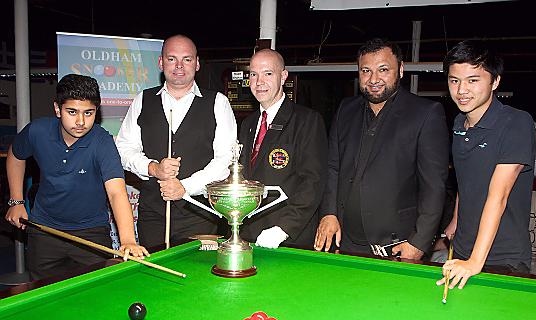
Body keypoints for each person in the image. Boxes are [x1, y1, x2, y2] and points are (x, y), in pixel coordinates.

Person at [314, 38, 449, 259]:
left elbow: (434, 187)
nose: (373, 79)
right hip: (344, 241)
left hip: (398, 245)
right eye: (366, 70)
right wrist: (329, 212)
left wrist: (419, 243)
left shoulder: (426, 113)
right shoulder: (346, 109)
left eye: (383, 69)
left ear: (401, 70)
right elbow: (333, 167)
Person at [5, 74, 148, 280]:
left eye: (88, 113)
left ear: (96, 112)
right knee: (45, 297)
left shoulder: (102, 142)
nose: (81, 121)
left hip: (91, 233)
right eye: (72, 112)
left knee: (99, 296)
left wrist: (128, 240)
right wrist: (16, 200)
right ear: (57, 109)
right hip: (44, 230)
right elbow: (16, 156)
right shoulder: (37, 131)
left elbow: (116, 192)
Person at [116, 34, 237, 248]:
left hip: (200, 214)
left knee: (198, 279)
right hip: (152, 216)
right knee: (155, 278)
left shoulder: (218, 102)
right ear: (161, 62)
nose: (179, 66)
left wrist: (185, 187)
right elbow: (124, 149)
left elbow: (226, 160)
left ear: (197, 63)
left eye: (187, 59)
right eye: (172, 59)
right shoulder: (142, 100)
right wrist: (153, 168)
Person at [437, 40, 535, 289]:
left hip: (503, 256)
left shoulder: (516, 122)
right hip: (462, 249)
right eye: (454, 80)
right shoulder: (459, 123)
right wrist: (456, 222)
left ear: (495, 82)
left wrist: (474, 261)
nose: (461, 90)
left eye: (473, 80)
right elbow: (466, 180)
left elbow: (498, 196)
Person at [238, 49, 327, 249]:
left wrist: (283, 229)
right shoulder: (248, 124)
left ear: (283, 76)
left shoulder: (307, 121)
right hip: (249, 235)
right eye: (253, 74)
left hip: (287, 239)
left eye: (268, 73)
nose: (259, 81)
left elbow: (313, 182)